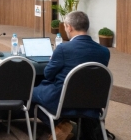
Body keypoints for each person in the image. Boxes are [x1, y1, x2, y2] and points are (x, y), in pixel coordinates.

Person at [31, 11, 110, 140]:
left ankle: (61, 124)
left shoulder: (63, 48)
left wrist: (52, 60)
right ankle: (67, 124)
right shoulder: (104, 51)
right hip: (92, 100)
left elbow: (48, 74)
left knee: (30, 93)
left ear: (69, 27)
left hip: (63, 100)